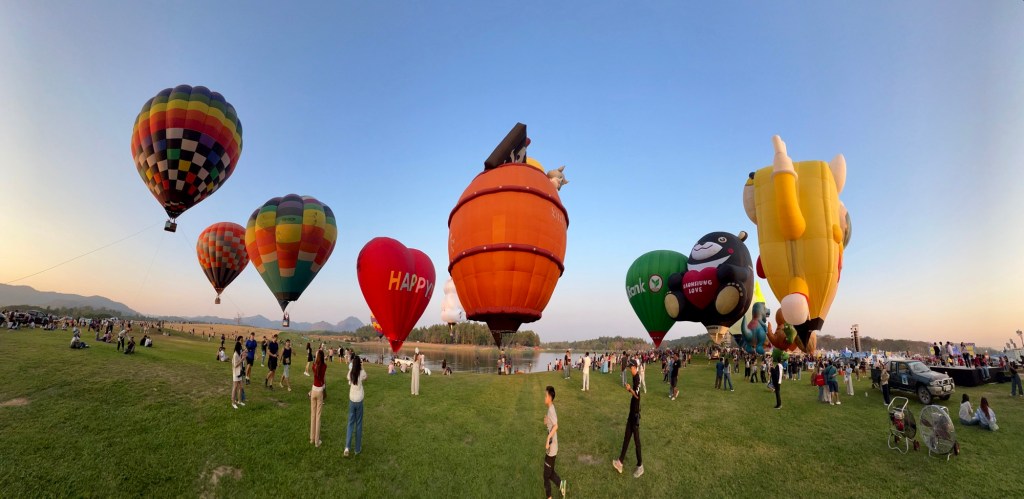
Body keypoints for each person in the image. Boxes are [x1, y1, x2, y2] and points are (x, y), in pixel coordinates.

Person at [612, 359, 643, 479]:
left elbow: (637, 396)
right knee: (626, 437)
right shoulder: (635, 377)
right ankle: (620, 462)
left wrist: (629, 389)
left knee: (636, 441)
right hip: (632, 414)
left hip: (635, 415)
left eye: (631, 368)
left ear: (635, 367)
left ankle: (640, 466)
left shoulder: (637, 378)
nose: (630, 369)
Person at [543, 385, 566, 498]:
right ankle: (561, 484)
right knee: (550, 472)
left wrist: (548, 439)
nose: (544, 397)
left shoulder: (551, 410)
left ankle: (549, 497)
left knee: (546, 475)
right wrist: (547, 421)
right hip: (553, 446)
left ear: (550, 397)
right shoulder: (550, 408)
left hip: (552, 447)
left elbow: (556, 426)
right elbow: (552, 424)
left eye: (545, 396)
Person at [345, 355, 367, 457]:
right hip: (359, 401)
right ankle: (357, 449)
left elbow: (347, 377)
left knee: (350, 423)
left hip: (352, 400)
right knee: (358, 424)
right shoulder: (361, 372)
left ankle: (347, 447)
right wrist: (362, 367)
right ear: (359, 364)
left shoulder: (351, 372)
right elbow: (366, 377)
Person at [309, 349, 327, 447]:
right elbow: (323, 378)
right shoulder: (324, 366)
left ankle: (312, 438)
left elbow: (316, 369)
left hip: (313, 390)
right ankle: (316, 441)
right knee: (318, 416)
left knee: (313, 415)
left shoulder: (313, 365)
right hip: (320, 390)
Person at [231, 338, 245, 409]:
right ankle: (233, 402)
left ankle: (239, 401)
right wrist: (242, 360)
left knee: (241, 387)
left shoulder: (238, 354)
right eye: (240, 347)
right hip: (236, 373)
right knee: (235, 387)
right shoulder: (235, 355)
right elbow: (235, 365)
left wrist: (243, 356)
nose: (241, 348)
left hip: (239, 372)